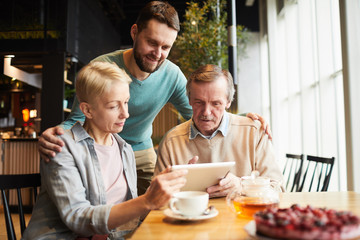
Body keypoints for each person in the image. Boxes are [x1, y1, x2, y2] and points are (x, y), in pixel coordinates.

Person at [38, 1, 270, 196]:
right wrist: (55, 132)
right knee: (101, 208)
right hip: (100, 148)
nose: (158, 54)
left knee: (155, 205)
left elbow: (199, 112)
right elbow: (78, 119)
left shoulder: (171, 75)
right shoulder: (102, 68)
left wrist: (241, 117)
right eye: (152, 42)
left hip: (140, 151)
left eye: (165, 47)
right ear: (134, 32)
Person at [23, 62, 187, 240]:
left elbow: (127, 221)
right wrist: (147, 201)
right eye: (113, 106)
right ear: (87, 110)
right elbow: (77, 218)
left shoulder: (124, 149)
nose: (126, 114)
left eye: (126, 102)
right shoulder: (62, 148)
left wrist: (178, 186)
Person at [154, 64, 283, 198]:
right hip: (190, 217)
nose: (206, 112)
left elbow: (278, 189)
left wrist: (242, 186)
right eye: (199, 102)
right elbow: (155, 200)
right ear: (189, 100)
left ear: (228, 102)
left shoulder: (254, 132)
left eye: (215, 103)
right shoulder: (172, 142)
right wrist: (180, 187)